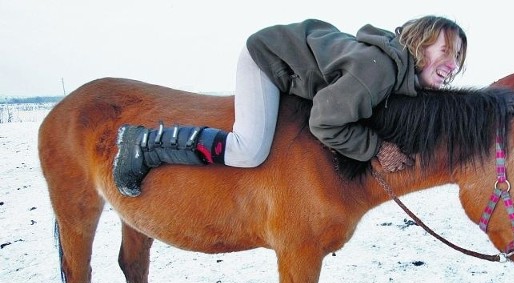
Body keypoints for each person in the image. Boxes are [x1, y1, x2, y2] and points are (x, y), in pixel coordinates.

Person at [113, 16, 467, 197]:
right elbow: (326, 123)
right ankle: (147, 143)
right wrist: (376, 148)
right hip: (267, 57)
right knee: (248, 149)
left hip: (300, 62)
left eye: (458, 58)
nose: (452, 65)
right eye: (446, 52)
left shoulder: (395, 73)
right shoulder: (379, 72)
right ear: (420, 44)